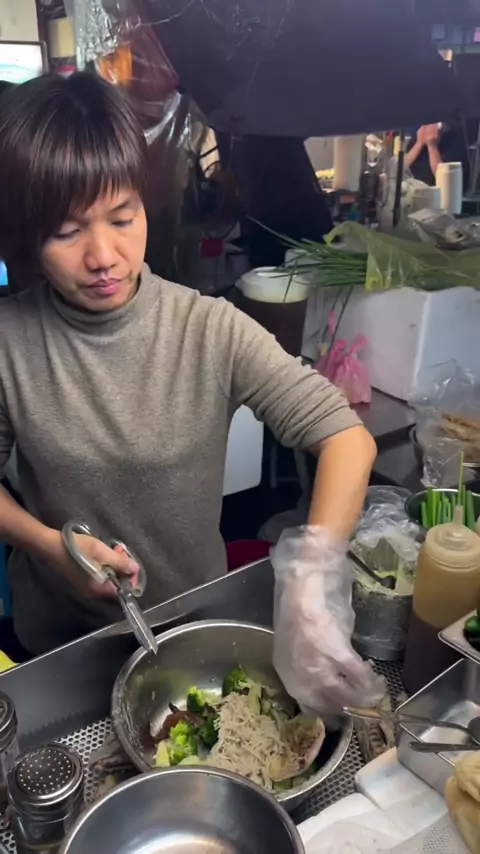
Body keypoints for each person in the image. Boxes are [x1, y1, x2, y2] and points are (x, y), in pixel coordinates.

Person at [0, 72, 383, 713]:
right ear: (29, 237)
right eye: (67, 232)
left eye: (123, 217)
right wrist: (52, 548)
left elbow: (345, 437)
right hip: (62, 652)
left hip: (191, 637)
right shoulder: (10, 343)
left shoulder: (209, 328)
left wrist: (312, 581)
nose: (104, 255)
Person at [405, 122, 470, 190]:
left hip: (435, 193)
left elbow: (447, 183)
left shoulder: (460, 139)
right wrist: (419, 143)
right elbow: (402, 170)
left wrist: (432, 146)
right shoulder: (422, 133)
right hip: (412, 190)